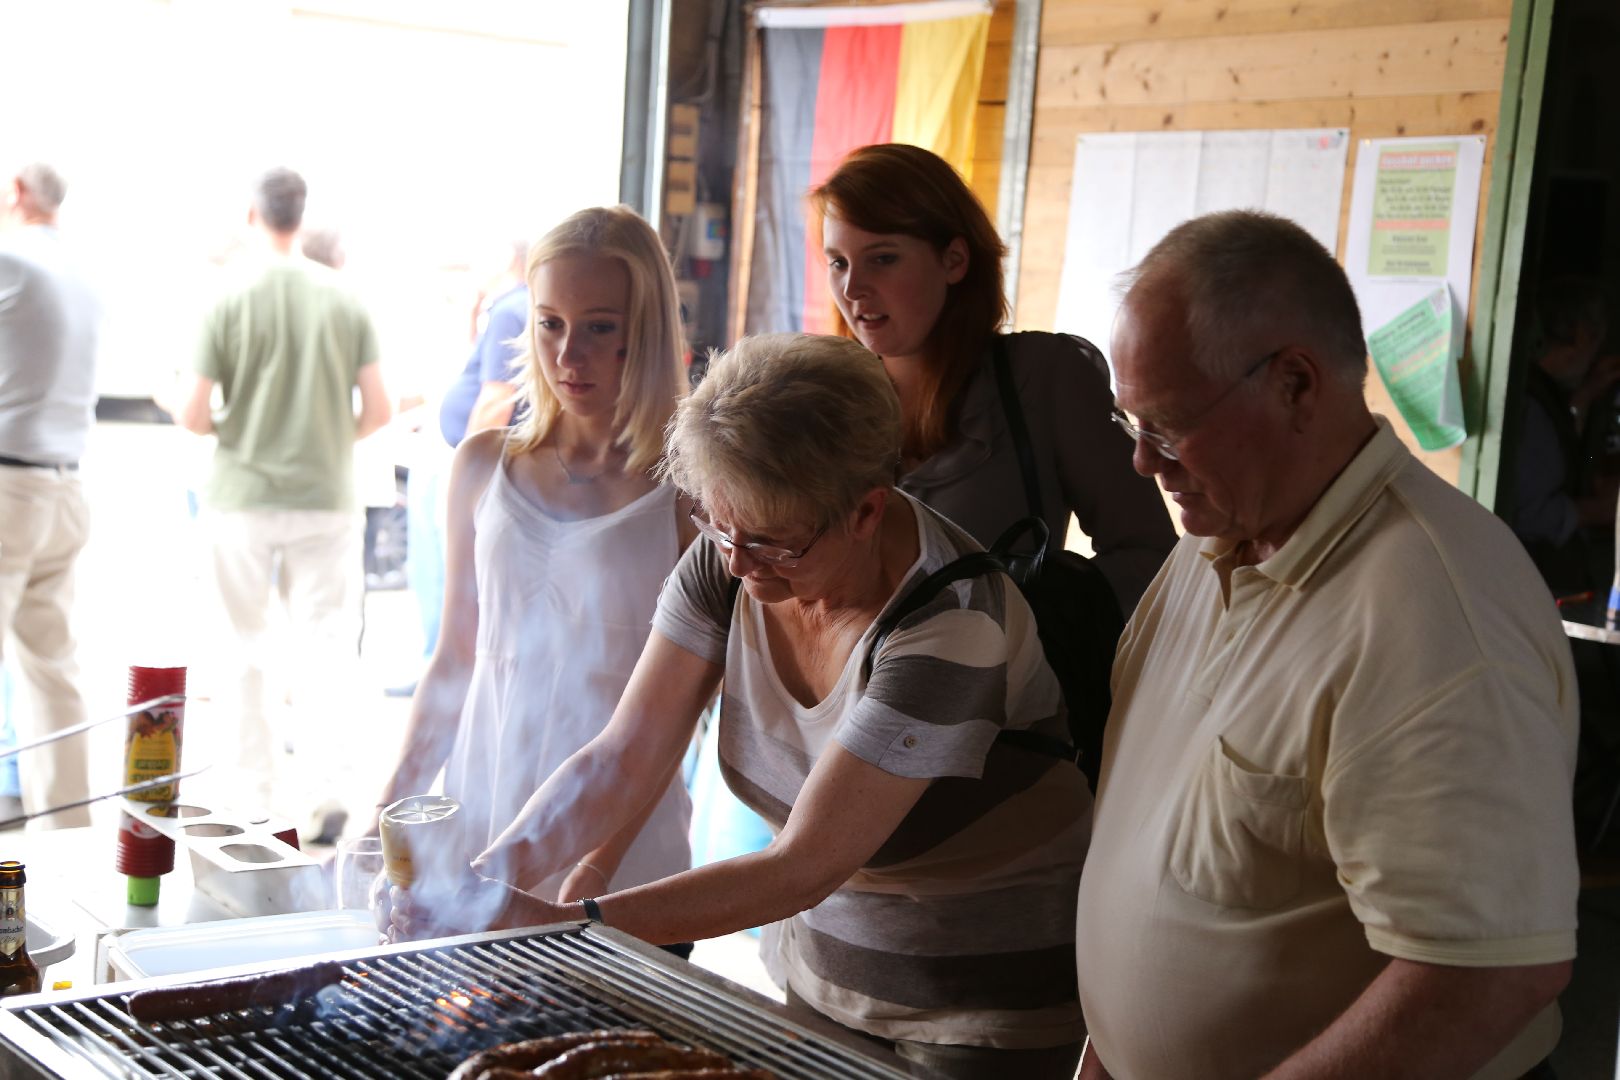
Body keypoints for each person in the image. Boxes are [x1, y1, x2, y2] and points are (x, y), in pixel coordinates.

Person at [388, 333, 1092, 1080]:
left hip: (984, 998)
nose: (739, 563)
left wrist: (562, 925)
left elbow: (803, 863)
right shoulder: (731, 555)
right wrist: (486, 885)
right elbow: (624, 754)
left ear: (865, 511)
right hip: (826, 974)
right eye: (720, 528)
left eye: (773, 545)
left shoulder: (951, 628)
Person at [1075, 210, 1578, 1079]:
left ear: (1296, 386)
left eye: (1166, 425)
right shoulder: (1216, 538)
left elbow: (1490, 976)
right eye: (1132, 426)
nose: (1143, 466)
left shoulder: (1433, 616)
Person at [373, 206, 694, 905]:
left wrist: (596, 872)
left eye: (599, 327)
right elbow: (454, 660)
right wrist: (384, 820)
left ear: (643, 333)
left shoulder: (688, 498)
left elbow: (676, 722)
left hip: (623, 868)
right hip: (478, 835)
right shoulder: (483, 466)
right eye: (550, 323)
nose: (568, 355)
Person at [811, 142, 1175, 613]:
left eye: (882, 258)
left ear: (955, 260)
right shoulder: (822, 402)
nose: (852, 287)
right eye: (837, 262)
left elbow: (1151, 558)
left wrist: (1021, 629)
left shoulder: (1044, 374)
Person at [174, 167, 392, 824]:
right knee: (327, 644)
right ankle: (326, 795)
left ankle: (254, 798)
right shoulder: (344, 297)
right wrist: (330, 439)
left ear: (252, 215)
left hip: (241, 494)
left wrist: (231, 426)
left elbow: (192, 413)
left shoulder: (226, 295)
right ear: (302, 216)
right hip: (326, 495)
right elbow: (378, 408)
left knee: (244, 646)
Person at [0, 162, 99, 829]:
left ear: (16, 195)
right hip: (63, 489)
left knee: (47, 672)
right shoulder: (85, 273)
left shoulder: (12, 260)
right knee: (51, 675)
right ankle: (69, 846)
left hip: (10, 490)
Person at [1510, 276, 1618, 594]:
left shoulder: (1550, 396)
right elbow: (1530, 514)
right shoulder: (1533, 405)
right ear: (1582, 336)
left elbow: (1571, 458)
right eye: (1598, 342)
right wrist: (1599, 509)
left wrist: (1582, 401)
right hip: (1535, 584)